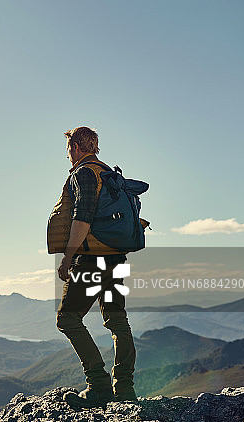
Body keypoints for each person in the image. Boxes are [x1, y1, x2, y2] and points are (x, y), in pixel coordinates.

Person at [56, 126, 137, 408]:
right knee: (117, 320)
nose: (68, 154)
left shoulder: (83, 173)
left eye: (68, 148)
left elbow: (82, 218)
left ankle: (99, 386)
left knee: (67, 319)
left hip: (91, 260)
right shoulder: (110, 175)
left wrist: (68, 257)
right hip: (117, 259)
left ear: (76, 146)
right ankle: (124, 389)